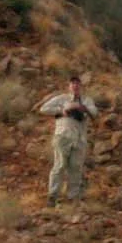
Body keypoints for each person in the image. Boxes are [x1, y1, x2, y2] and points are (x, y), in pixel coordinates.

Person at [36, 76, 97, 206]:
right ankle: (53, 196)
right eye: (73, 84)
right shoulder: (61, 99)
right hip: (63, 136)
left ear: (81, 87)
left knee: (76, 167)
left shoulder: (86, 100)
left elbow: (94, 113)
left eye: (78, 84)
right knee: (60, 165)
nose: (75, 86)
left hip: (79, 138)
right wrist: (62, 110)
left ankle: (72, 196)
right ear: (69, 86)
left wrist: (82, 108)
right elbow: (43, 109)